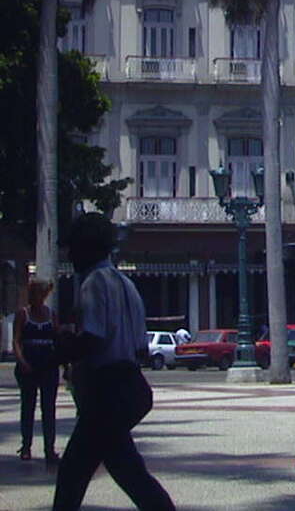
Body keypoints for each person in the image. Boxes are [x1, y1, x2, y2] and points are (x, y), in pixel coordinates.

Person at [52, 213, 175, 511]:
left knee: (73, 473)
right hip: (131, 386)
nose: (70, 255)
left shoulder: (94, 283)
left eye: (74, 248)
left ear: (88, 248)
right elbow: (140, 347)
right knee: (126, 469)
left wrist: (59, 351)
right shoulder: (127, 284)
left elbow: (93, 338)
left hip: (106, 391)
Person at [13, 278, 60, 463]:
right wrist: (21, 360)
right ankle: (26, 446)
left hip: (48, 363)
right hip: (29, 363)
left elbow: (57, 339)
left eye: (40, 294)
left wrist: (65, 364)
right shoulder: (23, 315)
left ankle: (50, 448)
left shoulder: (51, 315)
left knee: (49, 408)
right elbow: (16, 340)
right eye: (33, 294)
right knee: (28, 406)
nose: (37, 298)